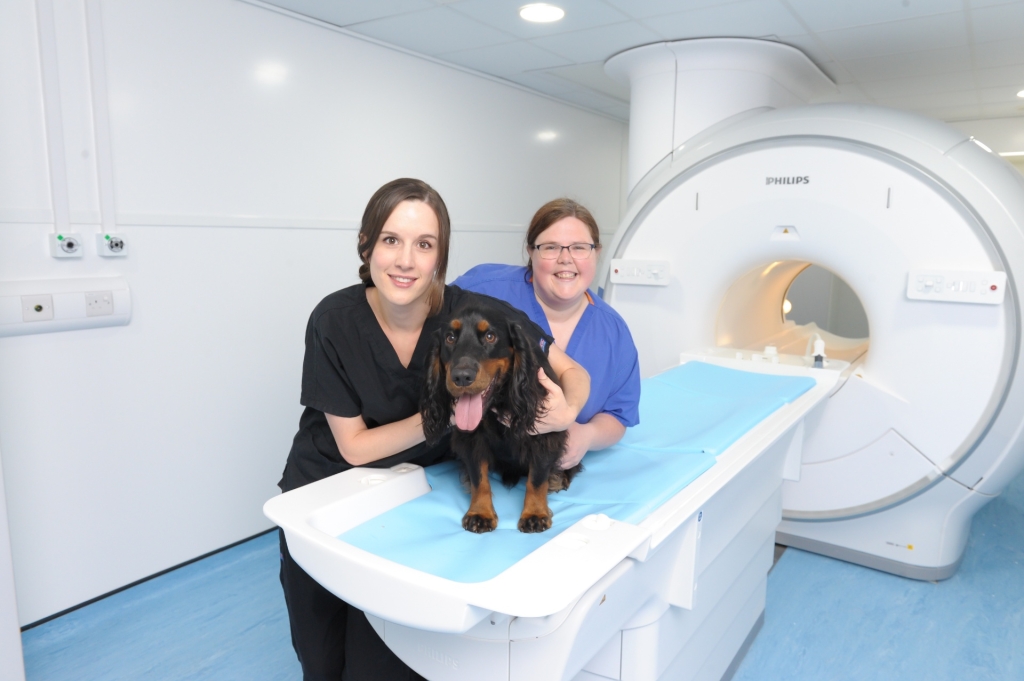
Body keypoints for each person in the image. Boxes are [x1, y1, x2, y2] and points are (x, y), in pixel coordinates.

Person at [277, 179, 590, 681]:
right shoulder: (333, 320)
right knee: (321, 658)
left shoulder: (469, 312)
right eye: (390, 240)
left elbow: (574, 372)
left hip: (414, 496)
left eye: (424, 245)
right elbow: (355, 448)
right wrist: (444, 413)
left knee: (383, 662)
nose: (405, 260)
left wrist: (566, 411)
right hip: (326, 489)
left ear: (440, 256)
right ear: (366, 245)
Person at [454, 198, 640, 469]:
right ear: (531, 252)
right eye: (550, 247)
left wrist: (587, 436)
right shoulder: (485, 291)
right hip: (476, 464)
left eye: (579, 248)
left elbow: (618, 415)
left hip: (553, 476)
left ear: (597, 253)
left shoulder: (613, 332)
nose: (566, 259)